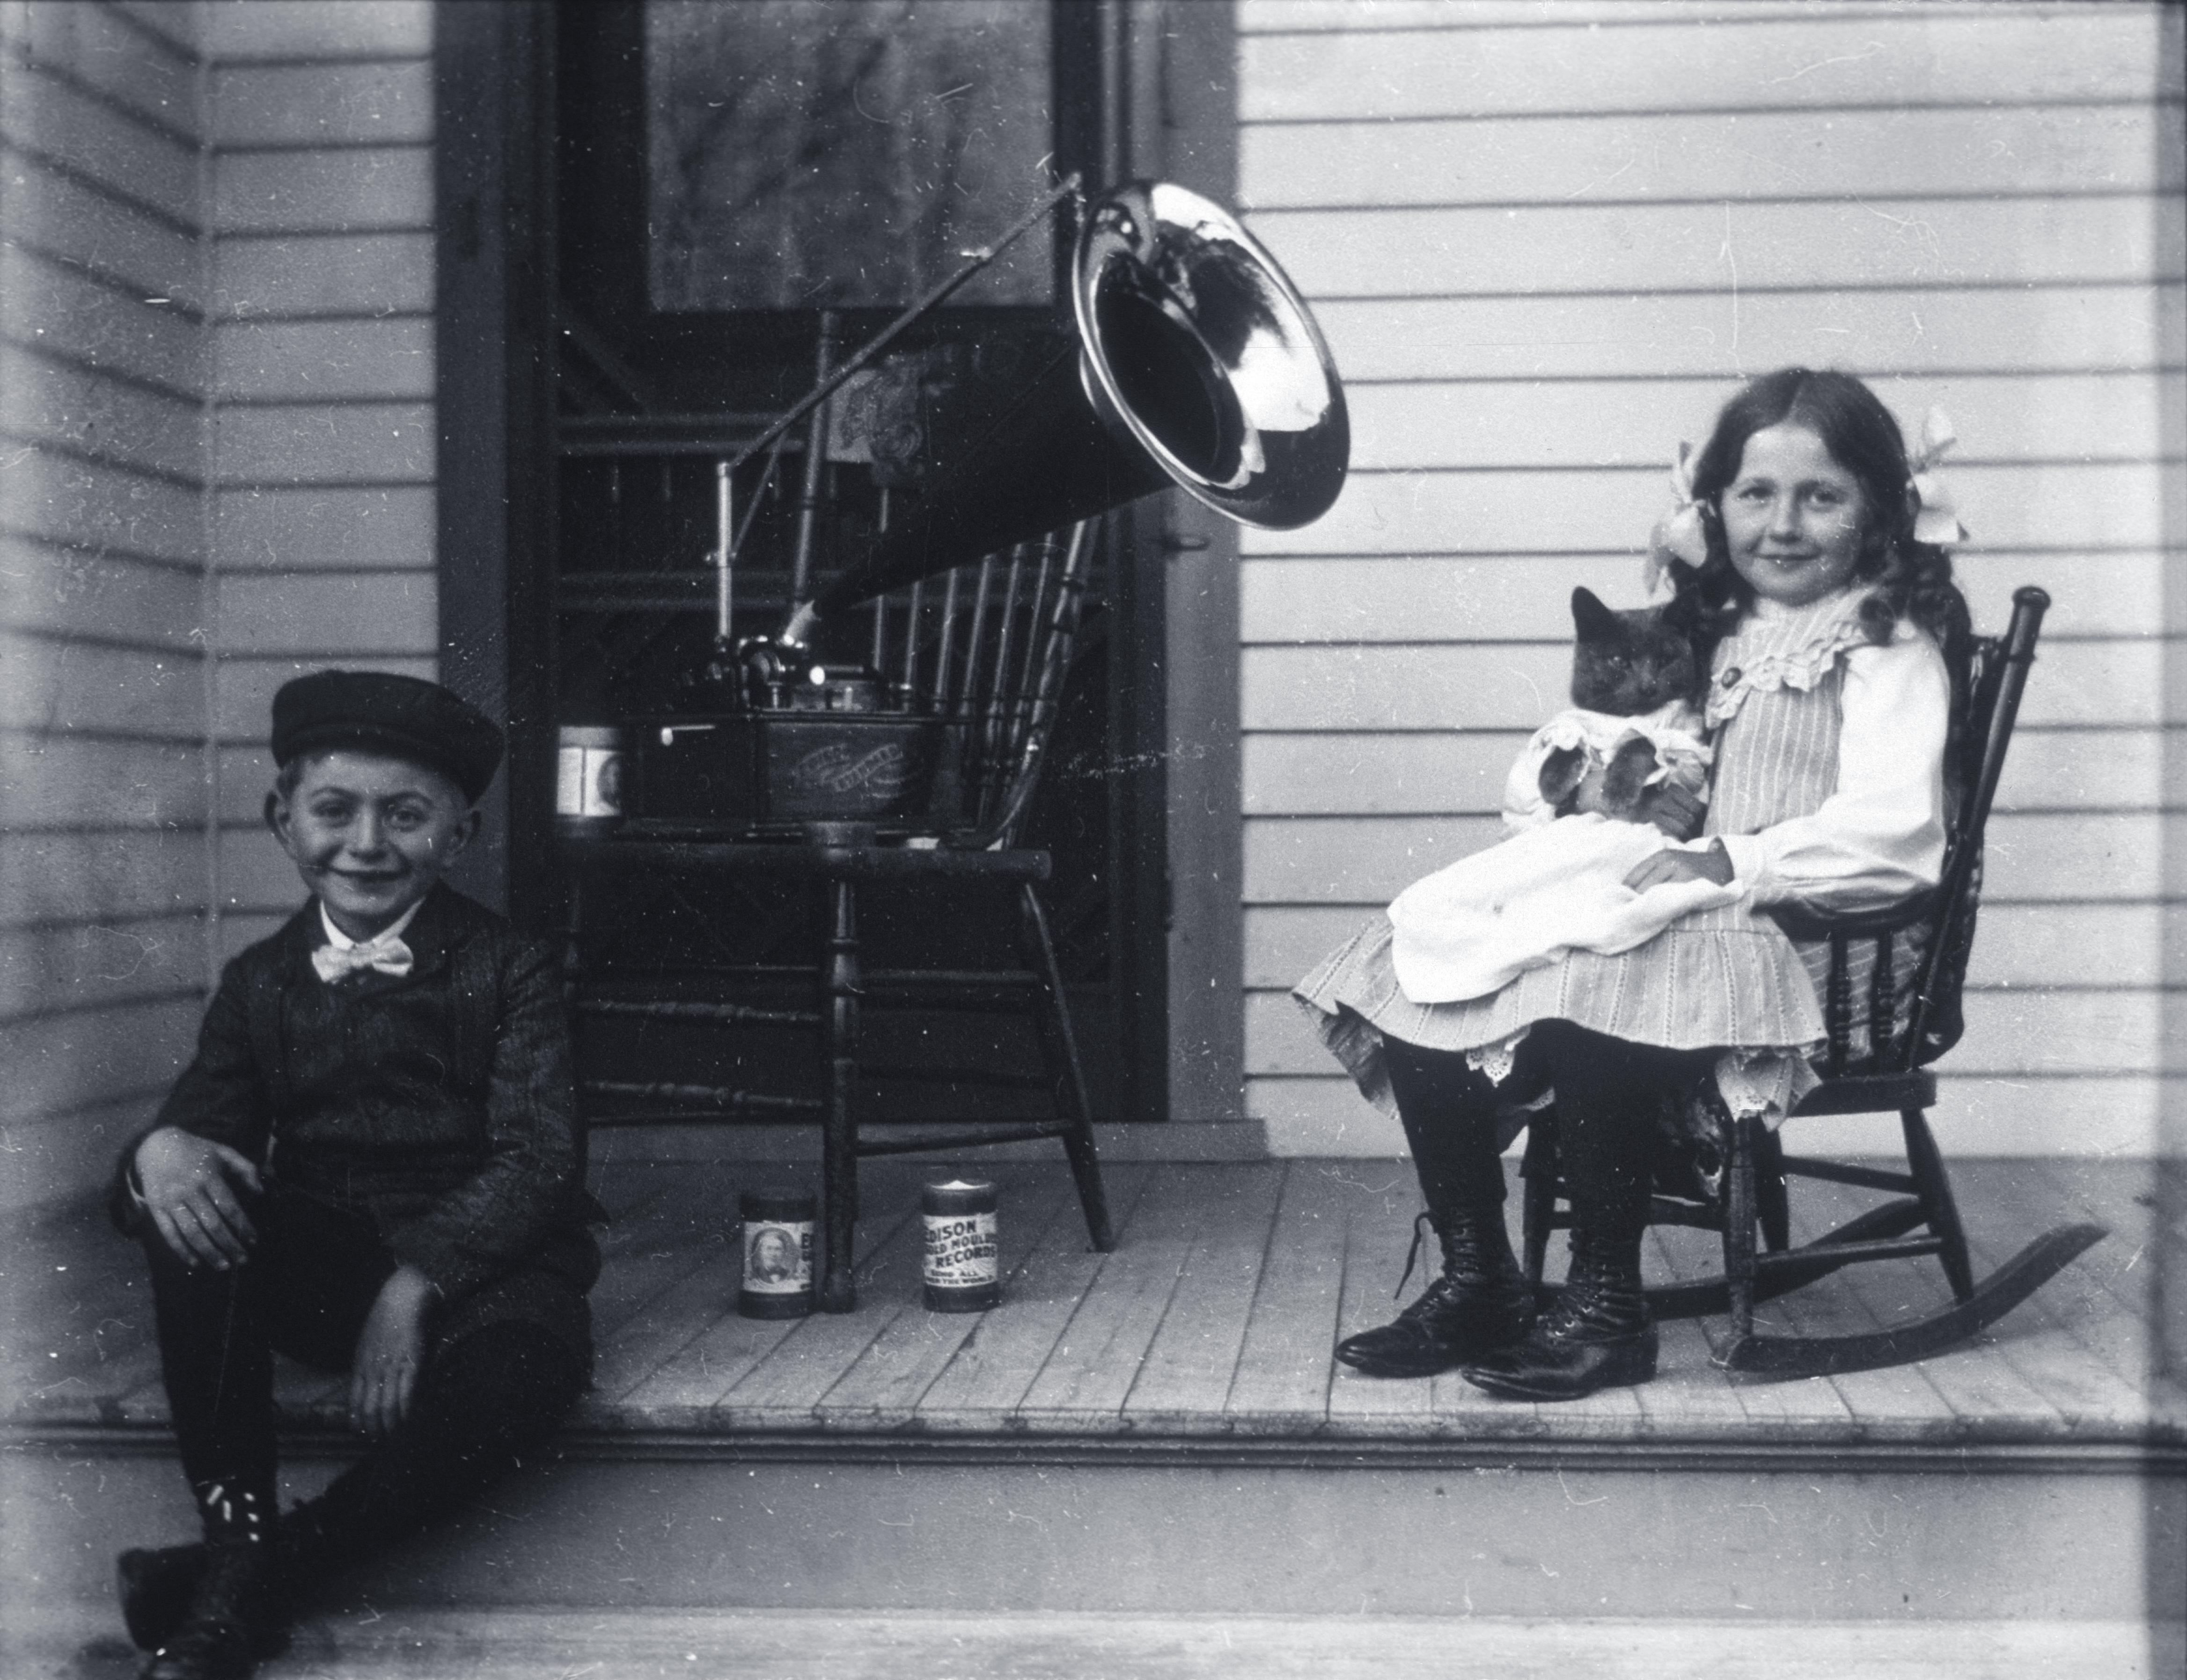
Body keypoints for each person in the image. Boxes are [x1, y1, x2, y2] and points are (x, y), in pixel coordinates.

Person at [1295, 367, 1968, 1402]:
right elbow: (1655, 769)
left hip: (1811, 947)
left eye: (1819, 496)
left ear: (1877, 505)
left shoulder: (1884, 642)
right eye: (1755, 494)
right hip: (1693, 914)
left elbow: (1896, 835)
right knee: (1430, 958)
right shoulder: (1717, 632)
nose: (1781, 525)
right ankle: (1481, 1277)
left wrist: (1726, 860)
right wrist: (1590, 797)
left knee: (1595, 990)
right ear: (1713, 507)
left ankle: (1608, 1303)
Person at [110, 671, 602, 1680]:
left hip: (489, 1268)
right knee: (184, 1198)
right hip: (330, 1257)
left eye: (406, 815)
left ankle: (233, 1586)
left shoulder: (508, 967)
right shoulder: (259, 984)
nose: (367, 844)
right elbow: (204, 1134)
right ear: (282, 821)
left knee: (524, 1381)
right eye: (334, 811)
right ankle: (238, 1539)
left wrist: (415, 1282)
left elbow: (538, 1158)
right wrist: (156, 1151)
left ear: (457, 834)